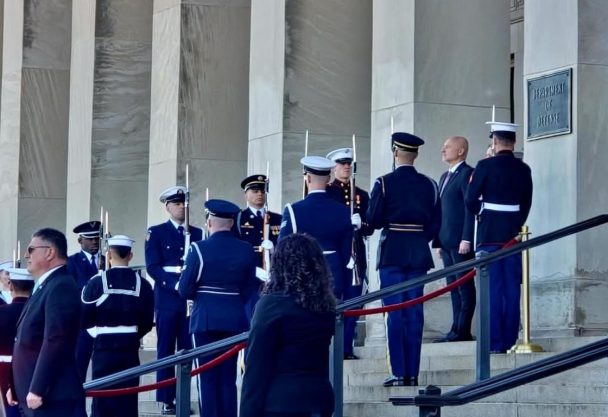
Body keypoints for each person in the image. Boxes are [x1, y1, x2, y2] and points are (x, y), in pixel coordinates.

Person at [367, 132, 441, 387]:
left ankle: (398, 371)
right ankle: (412, 372)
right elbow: (436, 224)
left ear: (395, 152)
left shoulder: (383, 183)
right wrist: (418, 239)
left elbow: (374, 220)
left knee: (394, 312)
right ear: (415, 154)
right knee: (414, 312)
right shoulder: (430, 184)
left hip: (393, 252)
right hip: (418, 251)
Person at [240, 233, 336, 417]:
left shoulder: (271, 305)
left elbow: (257, 366)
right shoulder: (324, 305)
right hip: (319, 396)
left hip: (281, 401)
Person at [179, 199, 258, 417]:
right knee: (227, 378)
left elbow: (184, 289)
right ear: (231, 223)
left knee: (207, 377)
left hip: (205, 318)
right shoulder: (246, 250)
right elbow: (249, 288)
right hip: (233, 318)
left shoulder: (198, 249)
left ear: (209, 222)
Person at [465, 121, 533, 354]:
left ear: (494, 142)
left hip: (490, 234)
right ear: (514, 142)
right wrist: (515, 223)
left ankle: (494, 342)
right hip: (513, 235)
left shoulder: (484, 166)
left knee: (492, 290)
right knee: (511, 290)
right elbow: (526, 203)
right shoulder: (523, 169)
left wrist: (483, 212)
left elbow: (470, 199)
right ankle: (510, 340)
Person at [6, 228, 85, 417]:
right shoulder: (46, 286)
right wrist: (15, 386)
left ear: (50, 252)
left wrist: (38, 388)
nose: (27, 255)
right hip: (37, 396)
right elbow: (27, 340)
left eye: (31, 250)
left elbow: (55, 339)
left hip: (51, 396)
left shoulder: (61, 286)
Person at [81, 235, 154, 417]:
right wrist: (131, 335)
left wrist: (100, 333)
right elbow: (147, 322)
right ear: (130, 255)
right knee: (128, 398)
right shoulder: (143, 284)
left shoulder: (96, 282)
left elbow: (84, 318)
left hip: (104, 347)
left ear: (108, 255)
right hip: (129, 346)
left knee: (102, 398)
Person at [145, 185, 203, 414]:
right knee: (166, 348)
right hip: (168, 297)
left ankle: (183, 397)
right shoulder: (156, 232)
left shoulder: (197, 233)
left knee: (187, 349)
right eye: (177, 204)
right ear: (168, 207)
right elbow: (153, 267)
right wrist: (175, 284)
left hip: (189, 299)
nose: (181, 208)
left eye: (184, 204)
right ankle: (166, 399)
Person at [278, 156, 353, 300]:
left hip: (302, 279)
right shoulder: (343, 211)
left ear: (308, 178)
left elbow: (283, 250)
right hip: (334, 277)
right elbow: (347, 253)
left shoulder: (293, 210)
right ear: (329, 179)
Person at [325, 147, 373, 359]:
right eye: (342, 164)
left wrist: (361, 224)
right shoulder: (327, 192)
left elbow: (370, 226)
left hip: (355, 253)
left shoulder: (361, 194)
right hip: (335, 254)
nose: (346, 167)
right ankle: (330, 347)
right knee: (332, 301)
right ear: (334, 168)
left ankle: (345, 348)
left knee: (353, 301)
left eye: (349, 164)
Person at [432, 136, 476, 343]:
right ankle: (455, 329)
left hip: (460, 242)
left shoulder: (467, 173)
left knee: (464, 287)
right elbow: (440, 211)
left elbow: (470, 208)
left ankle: (463, 329)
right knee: (453, 287)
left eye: (447, 147)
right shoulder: (444, 176)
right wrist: (438, 241)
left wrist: (467, 238)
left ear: (460, 151)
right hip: (446, 241)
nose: (443, 150)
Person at [67, 220, 104, 381]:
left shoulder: (107, 261)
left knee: (102, 370)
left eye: (96, 238)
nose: (94, 242)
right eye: (89, 239)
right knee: (78, 367)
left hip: (103, 320)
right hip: (81, 322)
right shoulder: (71, 262)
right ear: (80, 240)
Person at [0, 268, 34, 417]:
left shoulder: (2, 312)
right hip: (32, 370)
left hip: (3, 371)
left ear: (11, 286)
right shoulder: (39, 312)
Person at [235, 174, 282, 268]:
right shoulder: (238, 218)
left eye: (263, 191)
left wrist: (274, 249)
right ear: (246, 195)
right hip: (248, 269)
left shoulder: (278, 218)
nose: (260, 194)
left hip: (272, 268)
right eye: (255, 191)